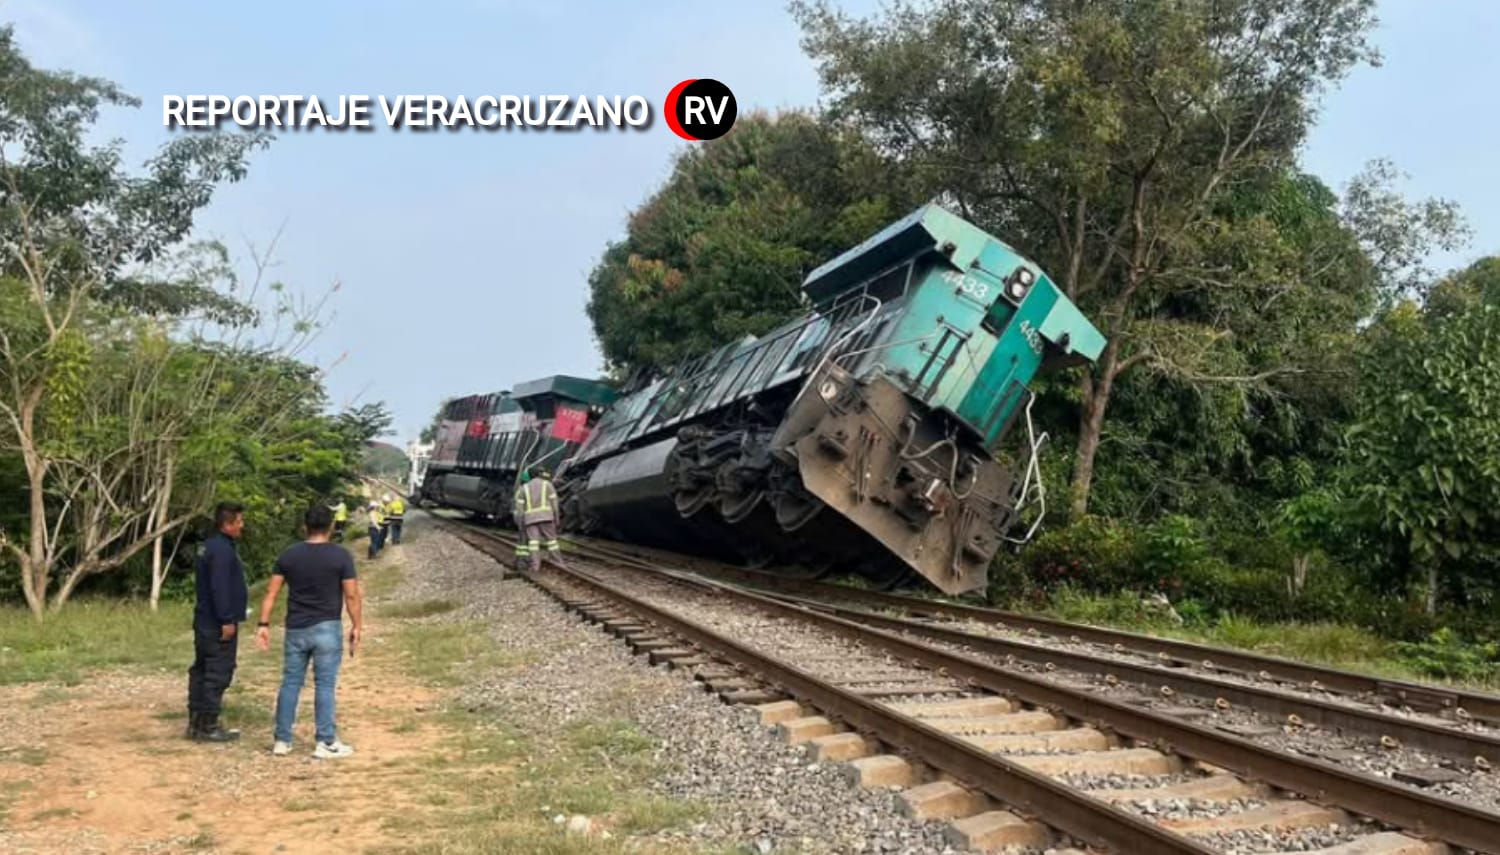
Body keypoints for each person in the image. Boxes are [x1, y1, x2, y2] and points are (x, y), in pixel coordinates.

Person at [254, 504, 362, 759]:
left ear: (305, 526)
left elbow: (272, 592)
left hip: (296, 628)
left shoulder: (289, 555)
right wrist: (357, 626)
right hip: (327, 627)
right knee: (324, 684)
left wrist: (263, 624)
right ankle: (325, 741)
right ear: (331, 527)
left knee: (291, 682)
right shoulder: (341, 556)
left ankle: (282, 740)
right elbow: (351, 595)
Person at [186, 502, 248, 743]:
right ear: (227, 524)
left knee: (201, 670)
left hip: (203, 620)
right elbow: (219, 587)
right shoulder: (222, 551)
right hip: (216, 623)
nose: (242, 525)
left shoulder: (207, 547)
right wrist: (226, 619)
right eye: (239, 521)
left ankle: (196, 722)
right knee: (218, 671)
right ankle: (208, 725)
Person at [512, 468, 562, 572]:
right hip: (547, 517)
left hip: (530, 519)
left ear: (529, 476)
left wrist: (521, 523)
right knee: (552, 541)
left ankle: (535, 566)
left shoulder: (523, 488)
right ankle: (558, 563)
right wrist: (556, 517)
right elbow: (555, 503)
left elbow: (520, 509)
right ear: (539, 474)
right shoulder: (547, 485)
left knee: (533, 544)